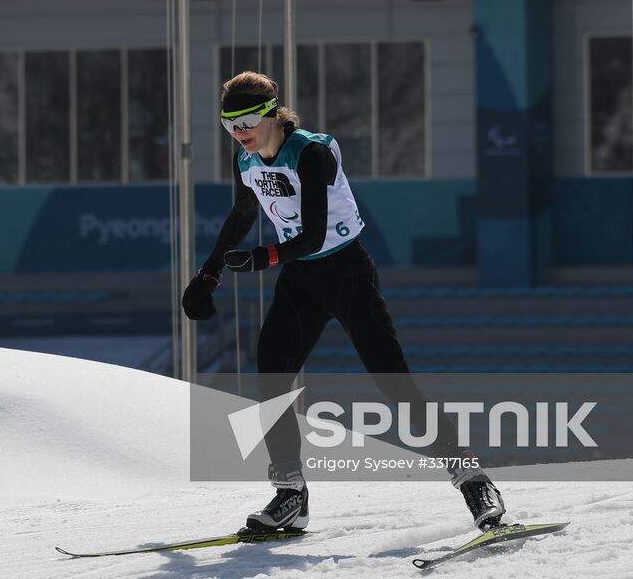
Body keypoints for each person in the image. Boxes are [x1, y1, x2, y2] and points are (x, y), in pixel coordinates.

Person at [182, 71, 505, 535]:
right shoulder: (246, 159)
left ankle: (475, 482)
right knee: (271, 377)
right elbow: (241, 215)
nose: (239, 132)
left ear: (273, 112)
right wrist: (207, 274)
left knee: (394, 386)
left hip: (346, 271)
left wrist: (263, 256)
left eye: (248, 120)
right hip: (301, 280)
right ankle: (291, 495)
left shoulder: (310, 153)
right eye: (228, 124)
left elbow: (313, 234)